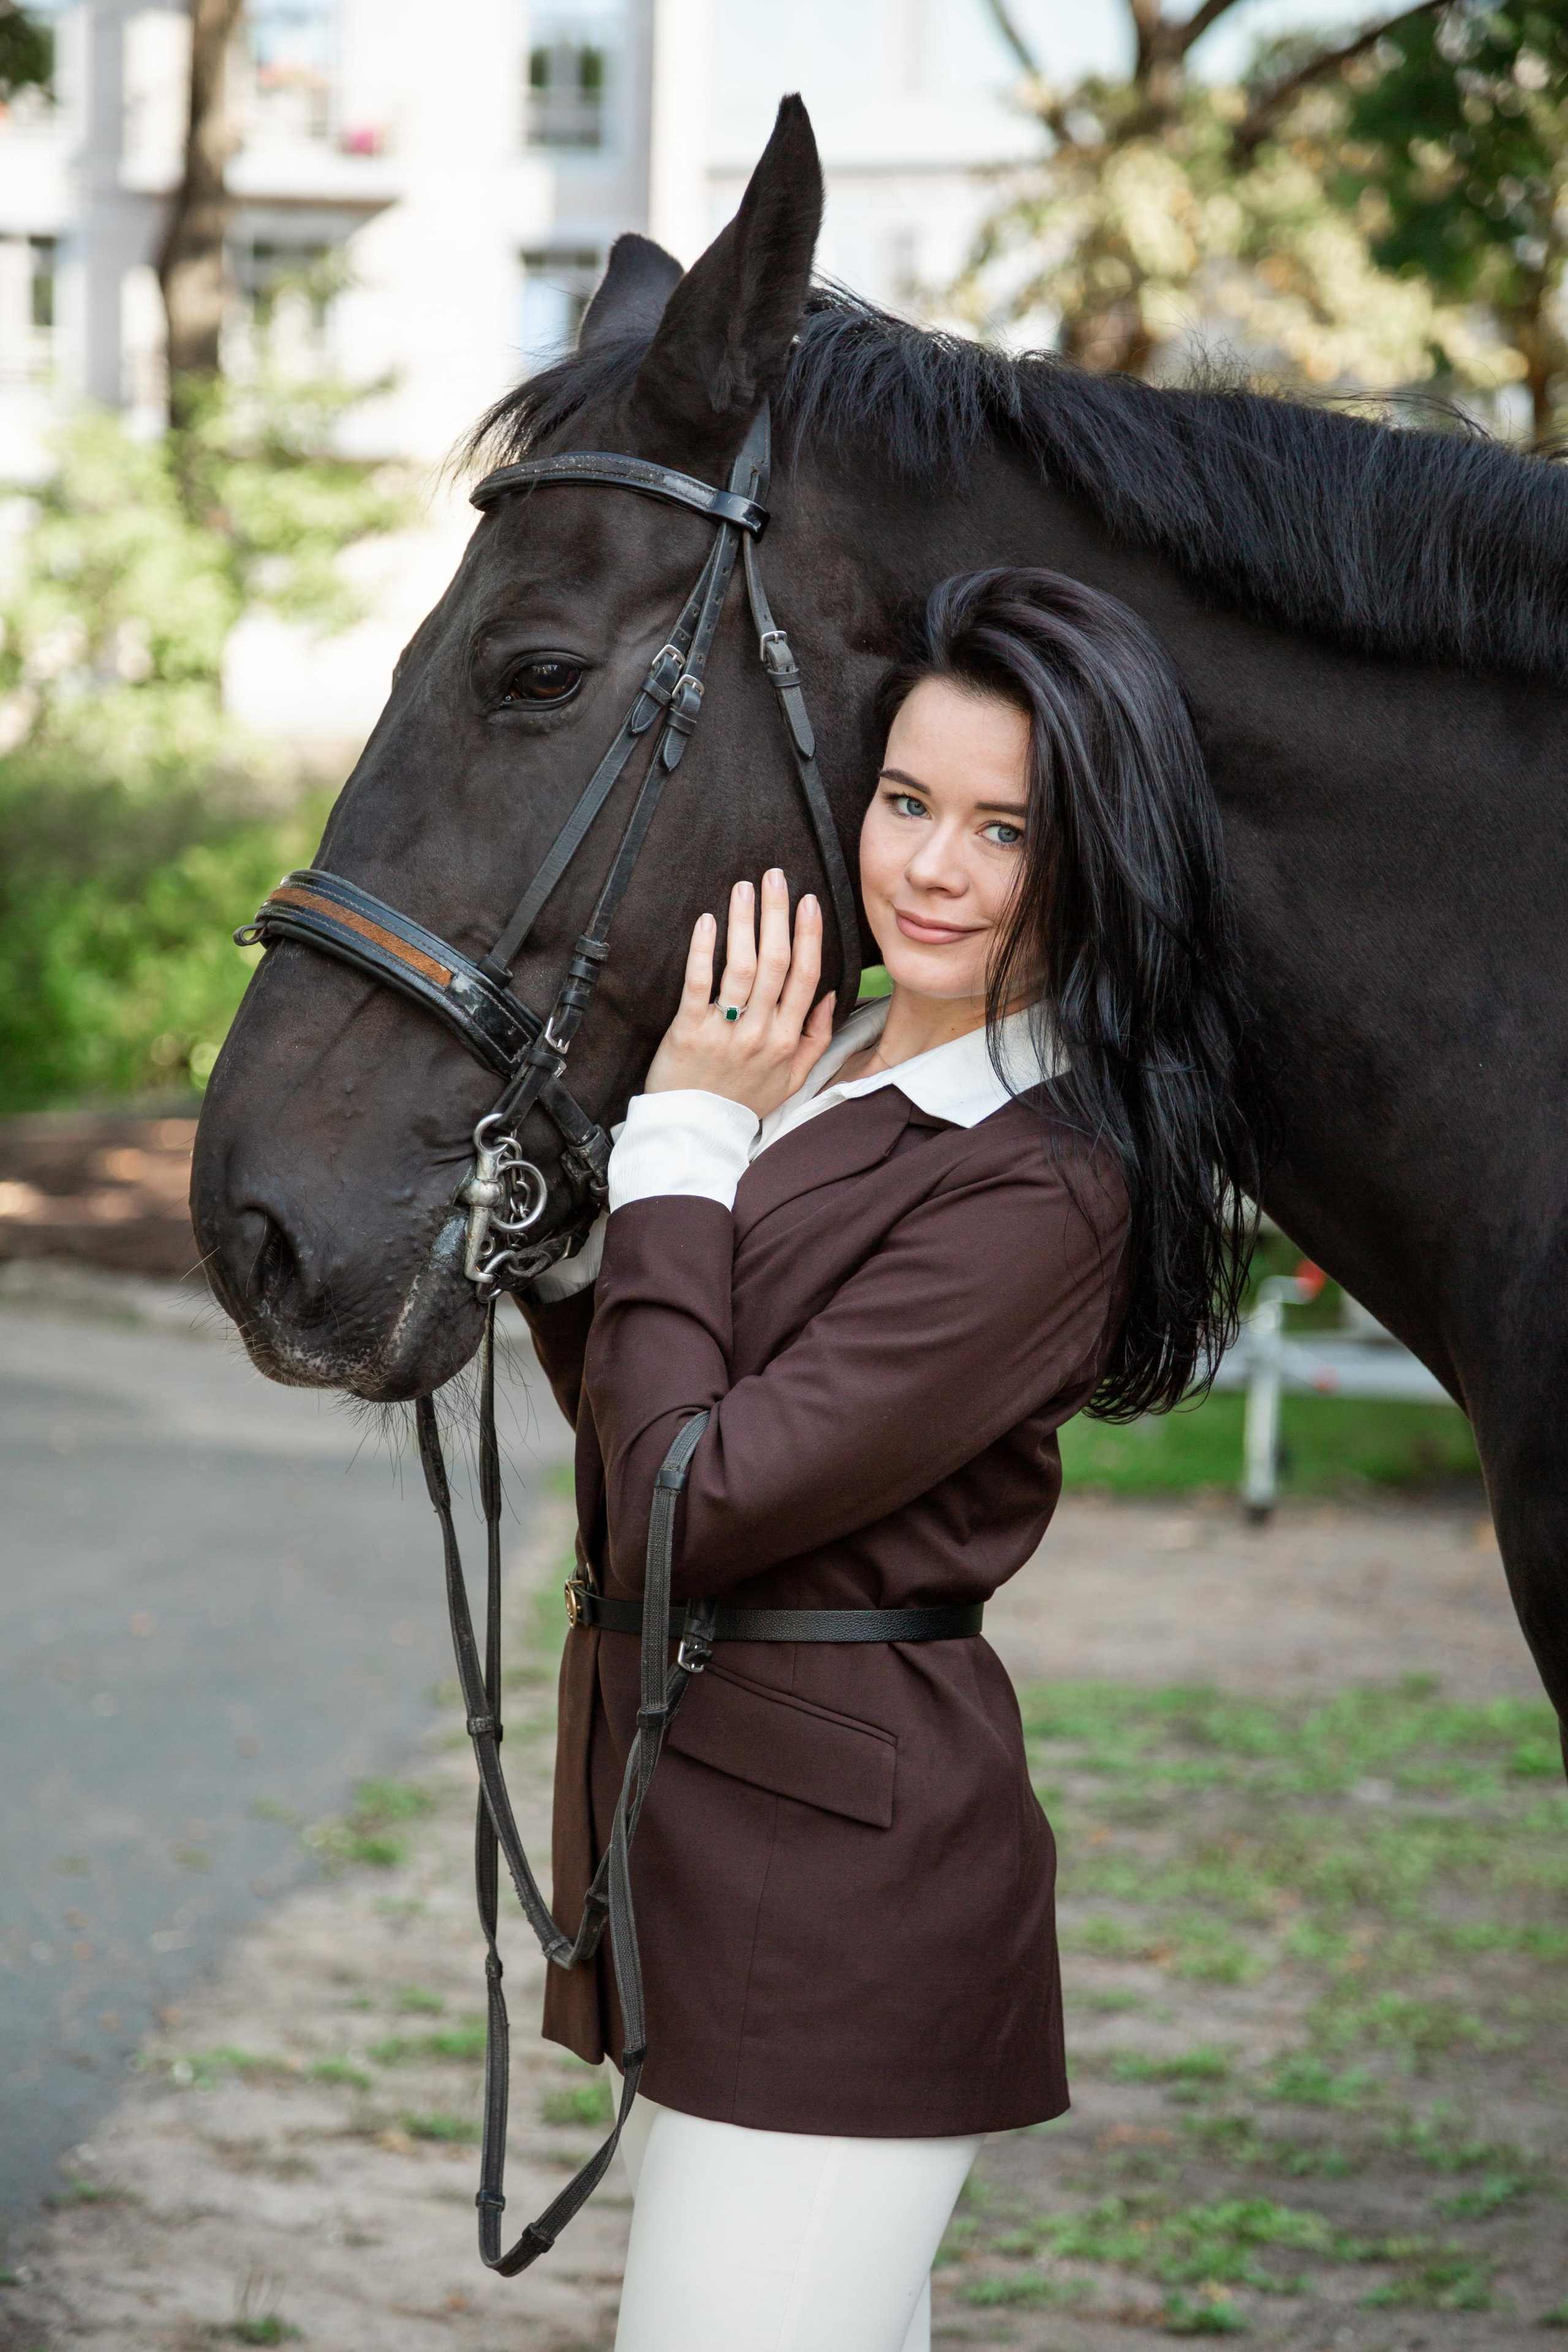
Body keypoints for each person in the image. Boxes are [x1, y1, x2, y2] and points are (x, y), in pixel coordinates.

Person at [516, 566, 1262, 2352]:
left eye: (1007, 832)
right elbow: (647, 1423)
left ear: (1098, 864)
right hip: (711, 1836)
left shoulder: (1049, 1181)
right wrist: (581, 1244)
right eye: (909, 801)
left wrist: (686, 1140)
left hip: (848, 1895)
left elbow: (701, 1494)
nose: (931, 867)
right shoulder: (825, 1051)